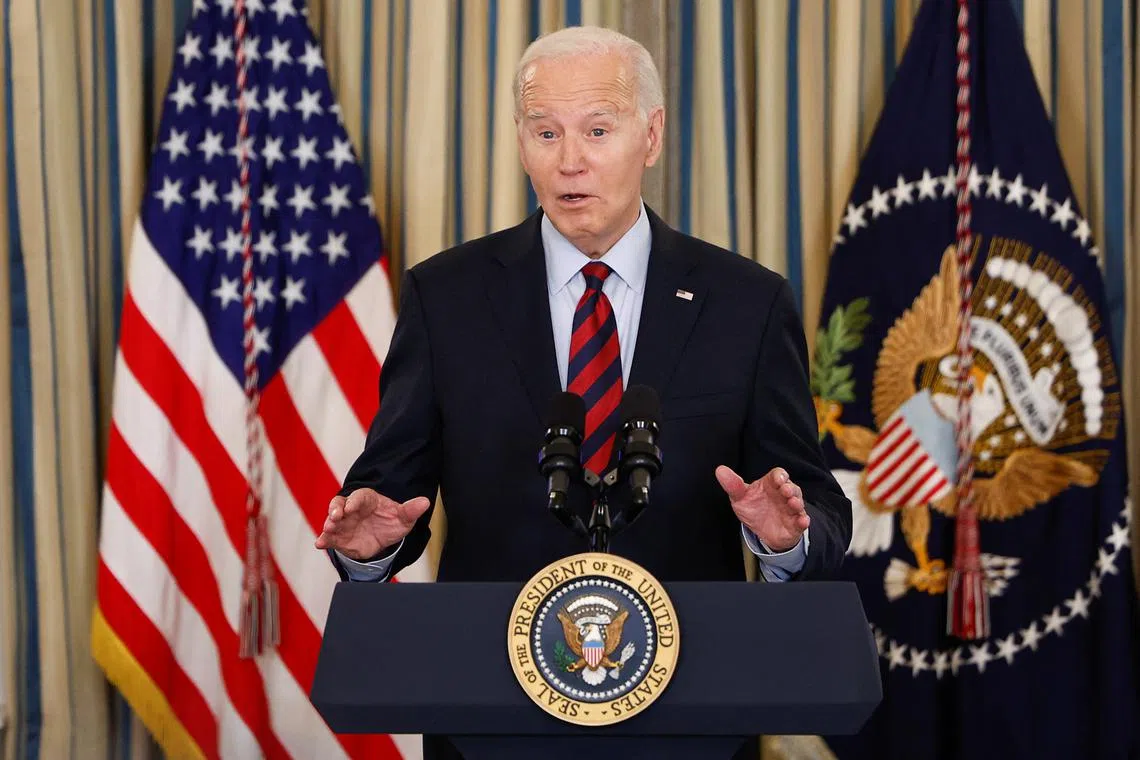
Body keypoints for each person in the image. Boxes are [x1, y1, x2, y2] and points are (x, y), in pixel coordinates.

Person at [315, 25, 852, 760]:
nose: (570, 161)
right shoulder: (447, 296)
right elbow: (391, 490)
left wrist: (784, 538)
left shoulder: (746, 304)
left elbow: (820, 510)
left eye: (598, 130)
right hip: (490, 719)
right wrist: (373, 546)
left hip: (687, 720)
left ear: (651, 137)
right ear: (520, 140)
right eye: (546, 132)